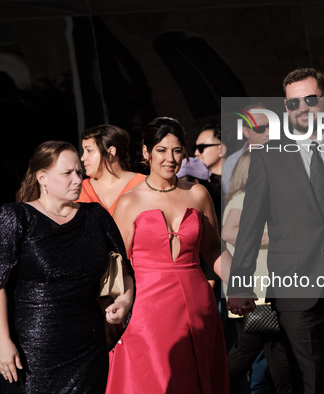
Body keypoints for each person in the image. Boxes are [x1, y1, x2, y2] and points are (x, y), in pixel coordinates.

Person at [227, 67, 324, 393]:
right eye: (293, 103)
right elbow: (250, 223)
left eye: (310, 99)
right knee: (310, 378)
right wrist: (241, 282)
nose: (302, 108)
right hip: (293, 287)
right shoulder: (267, 156)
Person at [0, 141, 134, 393]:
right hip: (32, 353)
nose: (78, 179)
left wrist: (125, 302)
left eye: (79, 172)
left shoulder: (95, 216)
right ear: (42, 177)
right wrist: (3, 341)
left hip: (89, 347)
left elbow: (124, 271)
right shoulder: (16, 217)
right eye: (67, 173)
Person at [106, 117, 229, 394]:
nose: (170, 158)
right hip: (148, 310)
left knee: (197, 382)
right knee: (158, 381)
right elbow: (117, 263)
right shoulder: (129, 202)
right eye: (161, 150)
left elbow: (212, 249)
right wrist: (123, 302)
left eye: (176, 150)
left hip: (198, 306)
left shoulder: (198, 194)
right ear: (146, 152)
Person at [223, 152, 292, 394]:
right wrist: (276, 237)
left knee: (275, 347)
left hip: (261, 286)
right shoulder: (244, 198)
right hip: (256, 288)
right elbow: (229, 232)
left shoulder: (247, 197)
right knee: (249, 348)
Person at [77, 124, 145, 215]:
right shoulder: (78, 189)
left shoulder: (143, 184)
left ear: (110, 152)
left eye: (89, 150)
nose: (82, 158)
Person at [222, 102, 270, 195]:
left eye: (271, 126)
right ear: (246, 131)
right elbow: (232, 198)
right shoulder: (232, 163)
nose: (268, 132)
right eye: (260, 128)